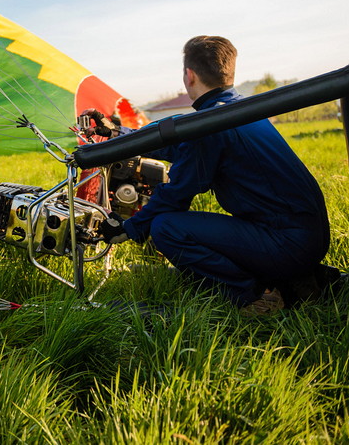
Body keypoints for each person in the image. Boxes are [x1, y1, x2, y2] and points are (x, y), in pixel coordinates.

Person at [95, 35, 331, 315]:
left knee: (166, 228)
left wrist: (127, 230)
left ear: (189, 75)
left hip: (288, 244)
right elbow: (175, 141)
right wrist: (116, 134)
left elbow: (176, 194)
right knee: (173, 225)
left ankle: (254, 297)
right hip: (307, 238)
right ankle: (289, 281)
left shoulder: (210, 125)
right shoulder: (238, 110)